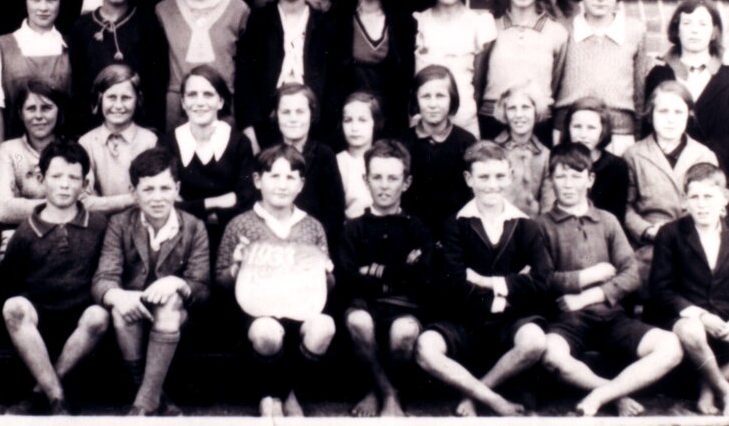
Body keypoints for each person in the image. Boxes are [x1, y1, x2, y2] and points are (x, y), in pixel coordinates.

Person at [540, 143, 683, 417]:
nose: (568, 184)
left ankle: (601, 395)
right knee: (549, 355)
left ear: (590, 179)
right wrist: (586, 277)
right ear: (551, 180)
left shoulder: (607, 221)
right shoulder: (540, 225)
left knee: (672, 347)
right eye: (560, 176)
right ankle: (616, 393)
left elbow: (631, 273)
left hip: (613, 318)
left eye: (576, 176)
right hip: (567, 321)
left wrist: (590, 295)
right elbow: (543, 279)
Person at [415, 141, 552, 417]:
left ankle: (476, 394)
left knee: (535, 341)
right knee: (425, 347)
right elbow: (453, 282)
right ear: (469, 179)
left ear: (511, 176)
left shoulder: (526, 225)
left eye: (500, 176)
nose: (492, 185)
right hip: (465, 320)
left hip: (510, 321)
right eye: (484, 177)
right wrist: (512, 285)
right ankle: (495, 400)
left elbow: (542, 280)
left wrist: (488, 282)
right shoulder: (455, 224)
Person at [216, 145, 336, 418]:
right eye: (274, 177)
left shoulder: (312, 226)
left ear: (301, 185)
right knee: (267, 332)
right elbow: (220, 281)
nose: (282, 185)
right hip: (257, 313)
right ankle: (269, 395)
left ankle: (288, 394)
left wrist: (326, 273)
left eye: (290, 178)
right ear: (258, 180)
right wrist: (236, 265)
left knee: (324, 326)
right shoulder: (240, 224)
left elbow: (325, 288)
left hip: (300, 310)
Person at [91, 147, 211, 416]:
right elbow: (103, 278)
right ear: (133, 192)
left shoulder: (193, 226)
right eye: (148, 190)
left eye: (165, 188)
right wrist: (117, 295)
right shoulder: (120, 224)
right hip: (132, 317)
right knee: (122, 311)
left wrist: (178, 284)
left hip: (175, 321)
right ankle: (154, 396)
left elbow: (201, 288)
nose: (158, 198)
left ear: (177, 188)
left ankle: (143, 402)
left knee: (169, 304)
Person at [0, 140, 110, 415]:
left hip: (81, 325)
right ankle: (56, 396)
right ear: (41, 179)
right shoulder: (25, 231)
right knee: (13, 306)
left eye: (73, 178)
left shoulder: (98, 224)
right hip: (37, 325)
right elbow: (9, 283)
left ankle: (43, 393)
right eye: (56, 176)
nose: (64, 184)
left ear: (85, 183)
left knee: (99, 315)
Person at [338, 139, 433, 417]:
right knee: (359, 321)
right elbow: (348, 278)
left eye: (393, 178)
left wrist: (374, 272)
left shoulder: (417, 228)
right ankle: (387, 393)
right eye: (377, 177)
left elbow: (424, 280)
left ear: (406, 182)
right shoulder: (353, 229)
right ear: (366, 180)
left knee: (403, 332)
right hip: (364, 305)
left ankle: (383, 391)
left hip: (405, 306)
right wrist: (402, 270)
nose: (384, 185)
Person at [648, 163, 729, 416]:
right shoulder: (671, 233)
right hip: (682, 317)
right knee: (692, 328)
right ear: (684, 201)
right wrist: (700, 315)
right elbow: (661, 290)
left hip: (726, 321)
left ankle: (706, 387)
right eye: (694, 197)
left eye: (709, 196)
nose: (701, 204)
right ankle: (724, 390)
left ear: (725, 198)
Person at [236, 0, 333, 150]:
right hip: (266, 126)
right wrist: (250, 131)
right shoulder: (259, 21)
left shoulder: (324, 25)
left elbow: (334, 84)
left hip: (315, 127)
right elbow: (245, 80)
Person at [622, 81, 718, 288]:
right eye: (663, 111)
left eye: (678, 112)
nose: (670, 120)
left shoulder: (704, 155)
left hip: (693, 241)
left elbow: (713, 206)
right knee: (641, 285)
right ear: (650, 114)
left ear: (689, 115)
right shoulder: (634, 155)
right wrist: (647, 230)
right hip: (648, 245)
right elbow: (625, 207)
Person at [67, 0, 168, 134]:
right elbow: (77, 87)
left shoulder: (147, 24)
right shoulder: (82, 27)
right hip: (91, 129)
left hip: (139, 128)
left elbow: (156, 84)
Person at [155, 0, 249, 130]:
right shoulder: (164, 10)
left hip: (223, 110)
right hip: (178, 112)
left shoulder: (238, 9)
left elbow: (246, 73)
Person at [643, 0, 729, 187]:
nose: (694, 30)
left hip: (714, 176)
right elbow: (646, 128)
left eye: (702, 24)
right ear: (677, 30)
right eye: (687, 23)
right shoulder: (660, 73)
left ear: (714, 32)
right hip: (666, 175)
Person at [555, 0, 646, 154]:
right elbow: (552, 85)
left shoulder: (633, 31)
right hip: (570, 131)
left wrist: (636, 134)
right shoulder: (564, 29)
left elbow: (639, 90)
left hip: (619, 133)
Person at [477, 0, 568, 145]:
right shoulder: (490, 27)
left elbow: (557, 82)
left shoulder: (556, 32)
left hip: (538, 121)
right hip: (493, 119)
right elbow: (478, 81)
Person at [329, 0, 416, 137]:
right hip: (348, 125)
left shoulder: (404, 23)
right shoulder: (335, 22)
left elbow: (406, 82)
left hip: (391, 123)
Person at [165, 65, 256, 254]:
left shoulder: (239, 143)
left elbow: (245, 199)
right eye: (192, 95)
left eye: (208, 94)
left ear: (220, 101)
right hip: (180, 237)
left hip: (230, 238)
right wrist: (214, 203)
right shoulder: (168, 143)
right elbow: (166, 200)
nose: (200, 102)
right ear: (182, 102)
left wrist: (191, 206)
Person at [413, 0, 496, 137]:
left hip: (464, 125)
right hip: (422, 126)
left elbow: (479, 86)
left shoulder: (479, 24)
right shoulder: (418, 22)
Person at [0, 0, 72, 144]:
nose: (43, 7)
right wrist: (3, 152)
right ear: (25, 1)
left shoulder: (69, 45)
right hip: (16, 148)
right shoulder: (2, 46)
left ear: (61, 1)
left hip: (62, 148)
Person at [401, 65, 476, 238]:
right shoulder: (403, 142)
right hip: (411, 235)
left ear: (452, 99)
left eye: (440, 96)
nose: (433, 104)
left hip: (456, 236)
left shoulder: (466, 142)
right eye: (426, 96)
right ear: (416, 100)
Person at [78, 64, 159, 215]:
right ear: (100, 99)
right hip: (98, 224)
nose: (118, 105)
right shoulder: (86, 142)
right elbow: (83, 201)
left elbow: (152, 196)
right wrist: (132, 199)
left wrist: (102, 203)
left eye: (126, 98)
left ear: (138, 99)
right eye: (111, 97)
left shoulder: (149, 141)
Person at [272, 84, 345, 249]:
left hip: (314, 244)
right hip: (274, 244)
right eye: (286, 112)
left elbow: (334, 210)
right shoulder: (268, 155)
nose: (293, 118)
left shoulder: (324, 155)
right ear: (276, 115)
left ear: (311, 114)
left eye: (300, 112)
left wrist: (317, 244)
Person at [0, 79, 68, 235]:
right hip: (21, 236)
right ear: (20, 113)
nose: (38, 116)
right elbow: (3, 210)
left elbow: (84, 205)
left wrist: (21, 205)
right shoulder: (9, 150)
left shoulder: (73, 150)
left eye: (46, 108)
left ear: (59, 110)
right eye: (31, 109)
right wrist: (63, 207)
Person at [541, 96, 630, 222]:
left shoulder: (617, 166)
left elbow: (616, 217)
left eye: (591, 128)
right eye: (577, 126)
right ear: (568, 127)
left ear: (602, 131)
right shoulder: (555, 159)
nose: (583, 134)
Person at [493, 80, 550, 216]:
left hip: (533, 229)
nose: (519, 115)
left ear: (536, 111)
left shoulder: (545, 155)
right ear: (505, 113)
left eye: (525, 107)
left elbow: (548, 203)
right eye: (512, 108)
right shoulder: (493, 150)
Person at [336, 92, 381, 220]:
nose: (354, 128)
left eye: (362, 120)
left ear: (374, 122)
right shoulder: (337, 162)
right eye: (348, 120)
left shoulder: (384, 161)